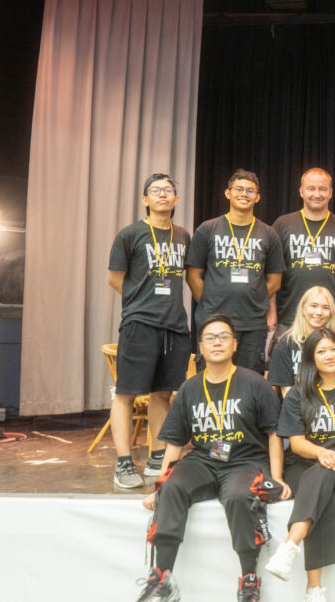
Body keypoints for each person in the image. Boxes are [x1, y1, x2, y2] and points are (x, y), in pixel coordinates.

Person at [137, 314, 289, 602]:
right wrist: (158, 487)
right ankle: (161, 578)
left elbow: (274, 434)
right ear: (201, 349)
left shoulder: (255, 383)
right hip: (204, 461)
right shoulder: (189, 389)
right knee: (171, 487)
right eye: (209, 338)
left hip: (245, 461)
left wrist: (277, 477)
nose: (216, 342)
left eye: (223, 337)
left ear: (234, 345)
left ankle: (249, 580)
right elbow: (175, 442)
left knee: (239, 496)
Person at [264, 328, 335, 601]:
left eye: (334, 350)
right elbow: (296, 441)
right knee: (327, 501)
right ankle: (314, 590)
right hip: (303, 464)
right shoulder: (298, 393)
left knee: (329, 468)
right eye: (322, 351)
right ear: (311, 358)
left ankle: (290, 545)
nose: (329, 356)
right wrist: (320, 453)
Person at [107, 173, 192, 488]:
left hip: (175, 327)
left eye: (168, 191)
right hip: (139, 324)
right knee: (126, 393)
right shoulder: (130, 235)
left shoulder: (182, 236)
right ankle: (124, 463)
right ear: (145, 199)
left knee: (163, 394)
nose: (162, 195)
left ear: (176, 200)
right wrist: (140, 303)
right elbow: (115, 278)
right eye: (155, 191)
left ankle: (158, 457)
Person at [186, 169, 284, 373]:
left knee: (248, 382)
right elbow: (193, 275)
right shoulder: (207, 229)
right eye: (238, 189)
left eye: (250, 191)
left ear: (257, 198)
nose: (243, 194)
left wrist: (255, 300)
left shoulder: (269, 234)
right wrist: (208, 302)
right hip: (213, 320)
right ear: (228, 193)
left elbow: (275, 280)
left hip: (253, 323)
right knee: (211, 379)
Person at [270, 168, 335, 339]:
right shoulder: (283, 225)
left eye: (322, 189)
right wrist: (271, 311)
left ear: (330, 193)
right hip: (291, 316)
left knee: (332, 364)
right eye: (311, 188)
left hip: (334, 318)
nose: (317, 194)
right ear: (301, 191)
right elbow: (271, 273)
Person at [267, 286, 335, 396]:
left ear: (331, 312)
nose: (319, 312)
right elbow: (286, 392)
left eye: (325, 308)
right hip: (297, 408)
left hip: (333, 408)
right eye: (313, 306)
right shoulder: (285, 344)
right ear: (303, 308)